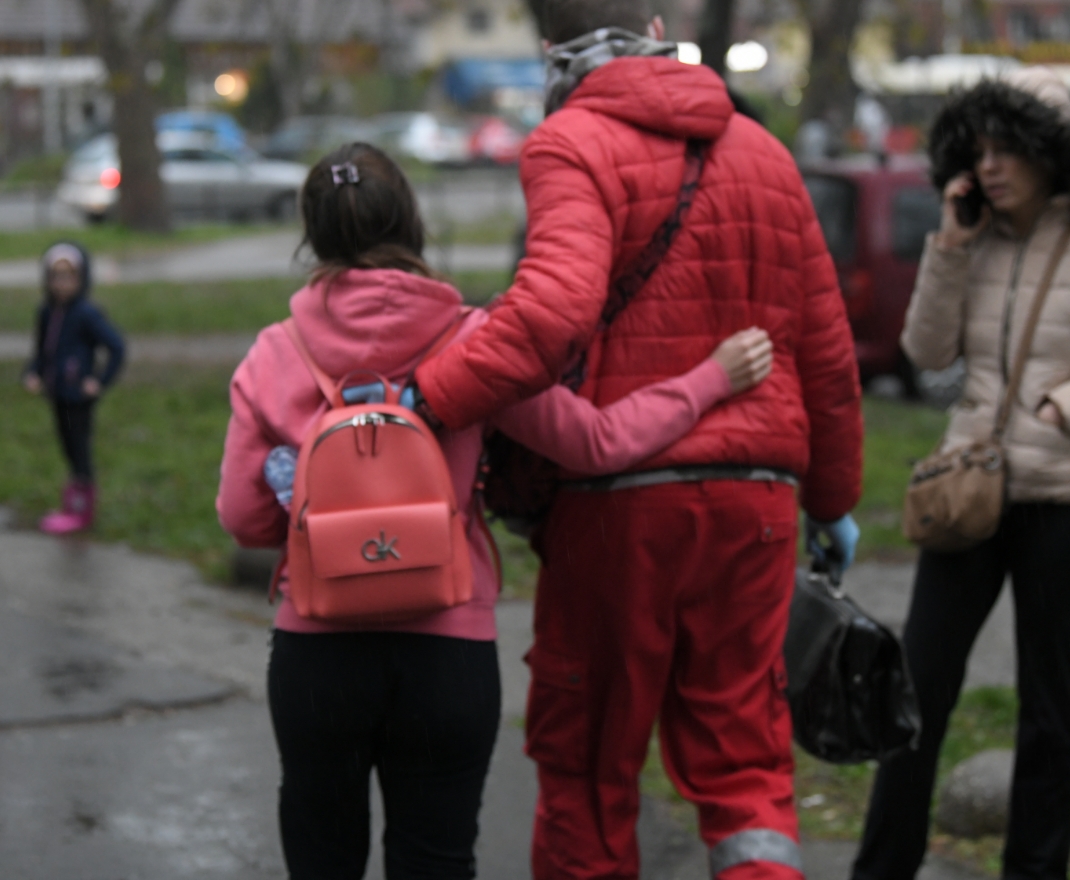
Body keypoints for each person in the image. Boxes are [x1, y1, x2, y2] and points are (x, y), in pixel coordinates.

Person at [412, 0, 863, 880]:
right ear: (658, 31)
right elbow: (825, 347)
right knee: (746, 770)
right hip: (759, 506)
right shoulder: (764, 153)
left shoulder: (570, 143)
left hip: (622, 509)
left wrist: (429, 399)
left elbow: (549, 315)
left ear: (551, 55)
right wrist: (832, 497)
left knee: (587, 768)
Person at [215, 143, 778, 880]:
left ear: (313, 236)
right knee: (438, 859)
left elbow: (243, 517)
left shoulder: (273, 354)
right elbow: (596, 442)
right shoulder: (474, 340)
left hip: (317, 651)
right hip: (447, 648)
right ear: (411, 223)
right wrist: (710, 379)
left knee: (322, 859)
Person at [853, 69, 1070, 880]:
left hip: (1067, 504)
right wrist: (949, 249)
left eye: (1009, 150)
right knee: (917, 691)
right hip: (970, 494)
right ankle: (881, 868)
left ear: (1049, 152)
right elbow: (926, 353)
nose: (990, 167)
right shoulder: (971, 235)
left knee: (1049, 708)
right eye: (980, 150)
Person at [22, 242, 125, 536]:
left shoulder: (86, 314)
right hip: (57, 394)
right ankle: (71, 504)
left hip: (79, 396)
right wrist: (33, 373)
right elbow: (42, 351)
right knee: (67, 447)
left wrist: (99, 381)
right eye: (56, 276)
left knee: (80, 450)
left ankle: (83, 509)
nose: (62, 283)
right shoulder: (46, 312)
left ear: (81, 278)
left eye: (69, 276)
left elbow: (116, 347)